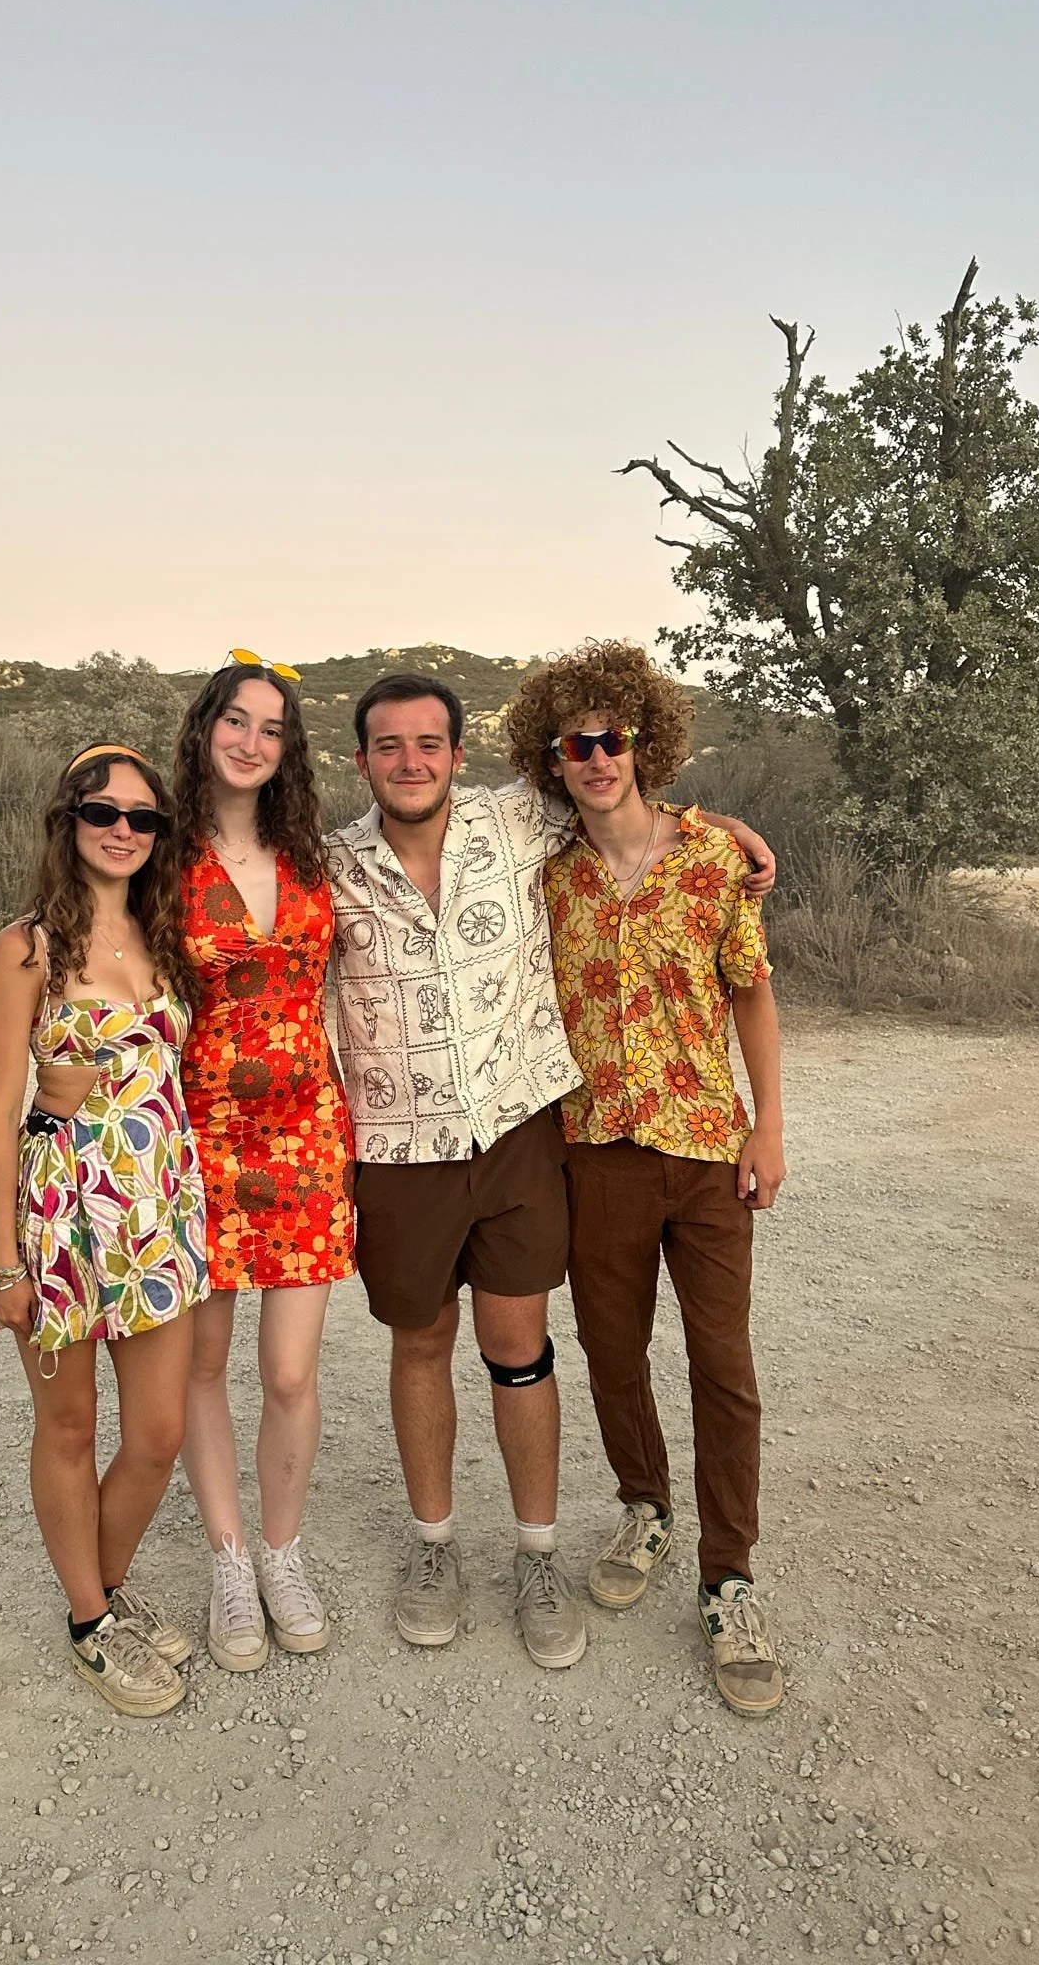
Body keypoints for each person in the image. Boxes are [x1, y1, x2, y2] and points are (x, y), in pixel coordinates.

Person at [326, 671, 775, 1671]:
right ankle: (439, 1547)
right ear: (361, 761)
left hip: (527, 1133)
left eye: (430, 743)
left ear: (459, 755)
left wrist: (722, 827)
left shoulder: (514, 824)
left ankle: (548, 1558)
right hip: (404, 1147)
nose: (410, 761)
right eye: (390, 745)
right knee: (428, 1344)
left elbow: (631, 805)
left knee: (524, 1347)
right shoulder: (330, 865)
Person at [506, 642, 786, 1716]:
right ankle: (645, 1508)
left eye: (610, 737)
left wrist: (769, 1127)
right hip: (594, 1152)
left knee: (724, 1364)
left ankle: (729, 1578)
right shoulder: (544, 873)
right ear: (552, 759)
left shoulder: (711, 858)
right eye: (572, 744)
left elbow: (750, 991)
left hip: (708, 1149)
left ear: (642, 742)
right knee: (612, 1351)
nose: (594, 758)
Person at [0, 744, 209, 1718]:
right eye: (102, 811)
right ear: (67, 821)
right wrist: (2, 1263)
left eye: (143, 817)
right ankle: (90, 1622)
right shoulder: (26, 949)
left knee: (158, 1434)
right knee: (69, 1427)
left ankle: (103, 1591)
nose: (122, 829)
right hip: (60, 1215)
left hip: (157, 1214)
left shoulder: (168, 934)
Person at [171, 653, 356, 1673]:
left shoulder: (316, 854)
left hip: (307, 1136)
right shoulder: (160, 852)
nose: (250, 741)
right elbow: (77, 912)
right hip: (199, 1139)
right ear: (205, 728)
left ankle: (283, 1556)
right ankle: (230, 1562)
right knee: (200, 1366)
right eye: (236, 720)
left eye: (271, 728)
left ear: (289, 750)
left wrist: (710, 825)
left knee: (289, 1371)